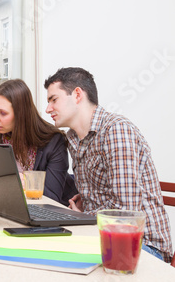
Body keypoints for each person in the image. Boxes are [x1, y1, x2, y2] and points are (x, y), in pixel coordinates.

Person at [44, 67, 172, 262]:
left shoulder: (116, 130)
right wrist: (82, 206)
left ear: (77, 94)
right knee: (49, 251)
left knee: (64, 262)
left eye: (54, 100)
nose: (48, 109)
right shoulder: (72, 138)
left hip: (142, 245)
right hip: (100, 236)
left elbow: (126, 212)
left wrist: (84, 216)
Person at [0, 79, 78, 205]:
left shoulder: (54, 140)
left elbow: (53, 197)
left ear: (21, 114)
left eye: (3, 113)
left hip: (54, 211)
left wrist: (26, 183)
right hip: (13, 206)